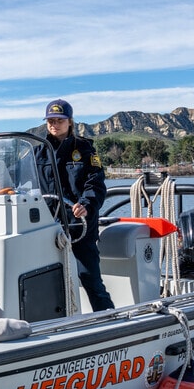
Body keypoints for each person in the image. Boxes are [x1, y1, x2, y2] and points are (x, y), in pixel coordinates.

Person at [35, 99, 115, 311]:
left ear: (69, 122)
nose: (54, 124)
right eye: (50, 120)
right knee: (44, 280)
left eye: (59, 120)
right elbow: (21, 179)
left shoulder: (85, 149)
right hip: (49, 227)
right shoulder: (37, 153)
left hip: (80, 226)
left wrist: (86, 204)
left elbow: (95, 184)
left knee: (89, 278)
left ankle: (110, 321)